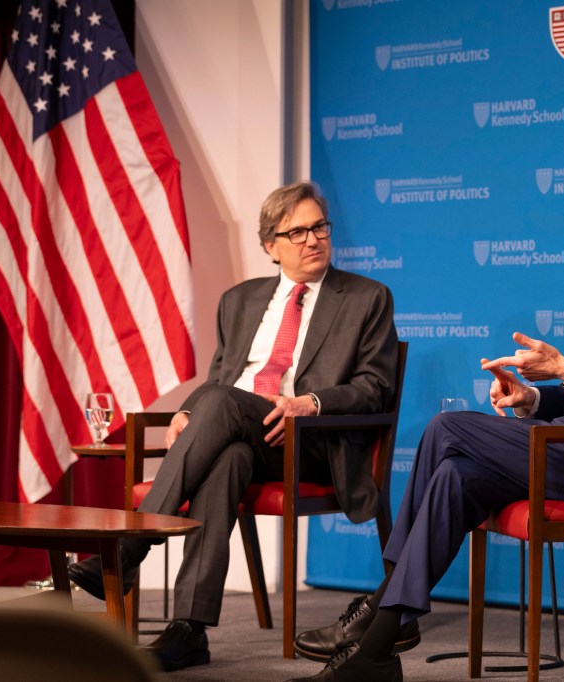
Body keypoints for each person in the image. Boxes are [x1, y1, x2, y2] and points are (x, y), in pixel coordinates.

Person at [288, 162, 564, 681]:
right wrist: (533, 399)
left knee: (446, 430)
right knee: (456, 477)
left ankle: (380, 612)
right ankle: (378, 647)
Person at [68, 182, 399, 672]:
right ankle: (189, 630)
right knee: (227, 458)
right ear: (271, 245)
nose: (314, 239)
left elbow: (376, 387)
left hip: (309, 443)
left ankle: (131, 545)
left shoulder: (366, 297)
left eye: (320, 228)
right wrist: (187, 413)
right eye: (299, 231)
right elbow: (220, 381)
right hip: (243, 434)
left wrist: (307, 403)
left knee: (218, 406)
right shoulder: (239, 301)